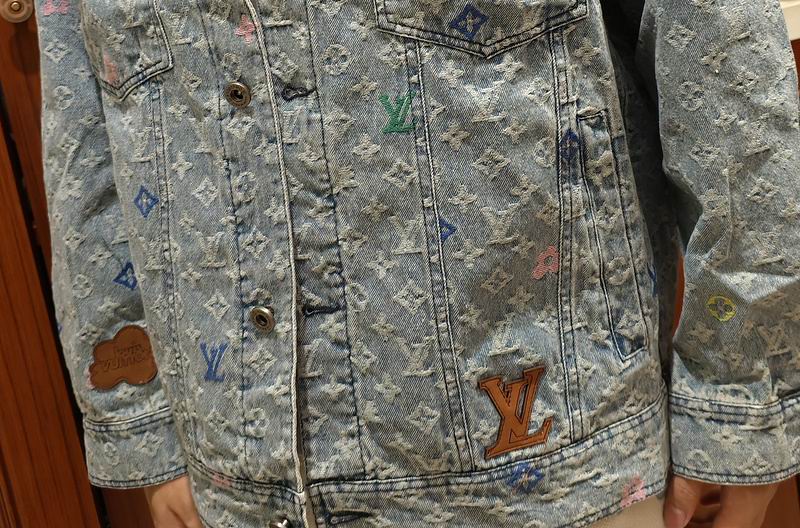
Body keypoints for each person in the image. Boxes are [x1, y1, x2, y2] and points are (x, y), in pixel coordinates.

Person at [34, 0, 799, 526]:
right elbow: (86, 128)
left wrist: (740, 395)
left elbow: (722, 62)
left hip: (561, 483)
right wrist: (138, 416)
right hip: (240, 483)